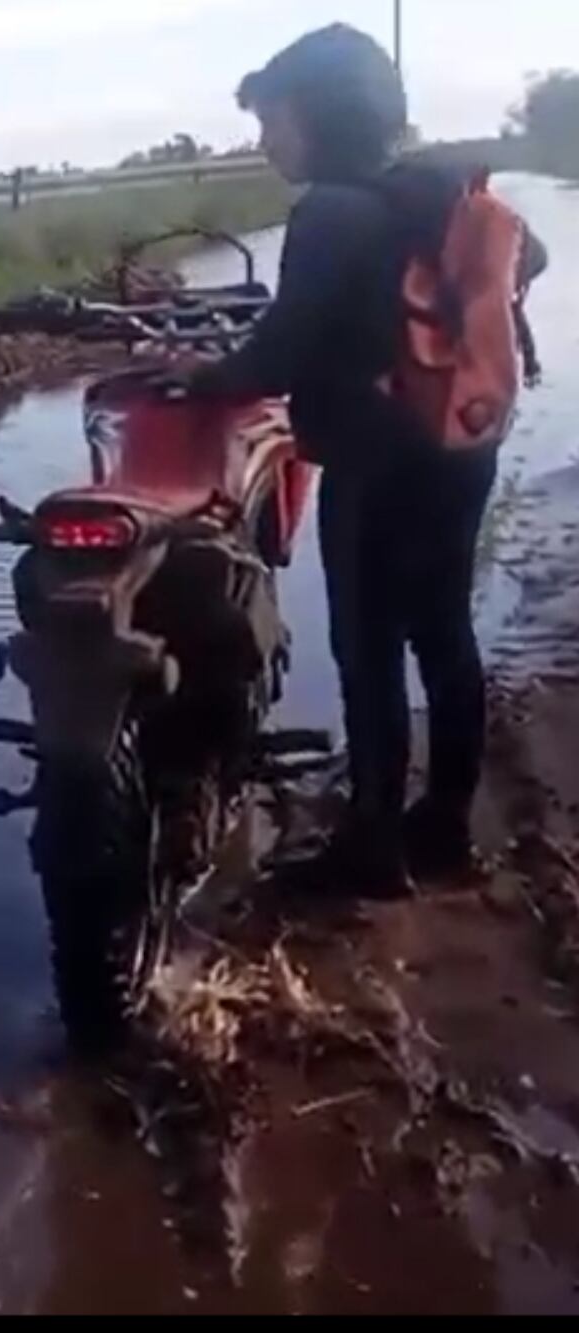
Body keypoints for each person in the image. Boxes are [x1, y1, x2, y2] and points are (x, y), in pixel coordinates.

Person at [190, 24, 548, 897]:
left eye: (274, 119)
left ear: (323, 115)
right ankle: (446, 828)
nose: (266, 141)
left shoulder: (329, 212)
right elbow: (529, 257)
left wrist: (199, 377)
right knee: (446, 634)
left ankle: (374, 848)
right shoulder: (444, 189)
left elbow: (275, 357)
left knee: (369, 649)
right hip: (461, 446)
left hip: (373, 464)